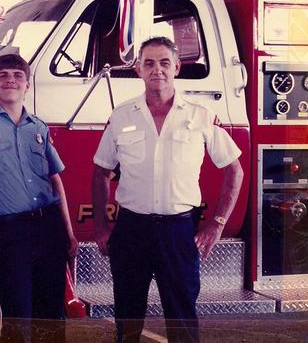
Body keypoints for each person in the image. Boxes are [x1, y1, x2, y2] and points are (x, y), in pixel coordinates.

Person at [92, 36, 244, 343]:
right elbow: (100, 173)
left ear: (176, 66)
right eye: (148, 63)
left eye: (164, 62)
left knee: (182, 317)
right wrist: (100, 228)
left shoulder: (200, 115)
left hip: (178, 231)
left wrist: (217, 225)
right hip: (131, 229)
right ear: (138, 70)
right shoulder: (121, 116)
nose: (156, 70)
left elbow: (234, 169)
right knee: (127, 317)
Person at [0, 53, 78, 340]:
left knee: (52, 314)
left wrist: (69, 233)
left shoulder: (38, 127)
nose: (11, 80)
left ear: (27, 86)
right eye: (4, 76)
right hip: (8, 234)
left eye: (18, 76)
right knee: (17, 313)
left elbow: (56, 180)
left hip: (48, 229)